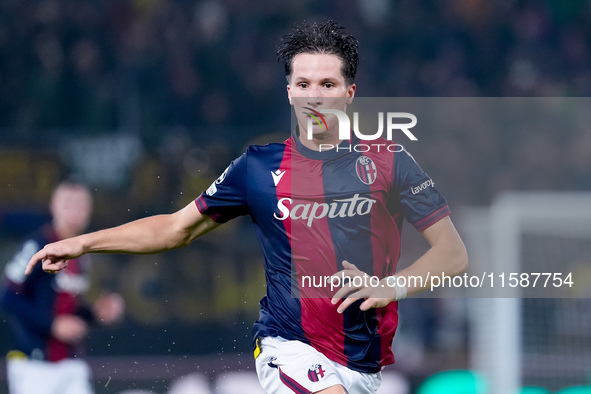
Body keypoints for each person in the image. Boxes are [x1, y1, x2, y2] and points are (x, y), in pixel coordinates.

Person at [24, 21, 468, 394]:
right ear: (290, 92)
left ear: (349, 92)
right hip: (288, 347)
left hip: (364, 366)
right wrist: (82, 243)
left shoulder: (390, 163)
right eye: (304, 84)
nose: (315, 96)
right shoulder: (257, 168)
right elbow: (174, 229)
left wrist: (391, 287)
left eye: (328, 84)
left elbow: (452, 253)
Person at [1, 180, 125, 394]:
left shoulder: (81, 253)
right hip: (34, 364)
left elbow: (67, 306)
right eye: (68, 203)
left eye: (81, 204)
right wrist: (52, 324)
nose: (75, 211)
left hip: (71, 362)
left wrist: (96, 313)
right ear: (53, 206)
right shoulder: (37, 245)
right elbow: (8, 297)